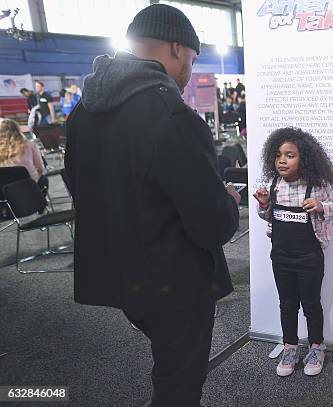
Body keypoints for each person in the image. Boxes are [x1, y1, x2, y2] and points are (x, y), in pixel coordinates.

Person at [64, 5, 241, 407]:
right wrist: (227, 202)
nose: (189, 72)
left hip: (119, 274)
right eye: (193, 61)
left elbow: (79, 186)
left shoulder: (82, 112)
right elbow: (211, 225)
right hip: (175, 282)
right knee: (179, 381)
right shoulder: (172, 115)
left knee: (168, 371)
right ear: (177, 48)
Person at [253, 127, 333, 377]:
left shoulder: (317, 185)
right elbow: (267, 216)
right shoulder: (274, 185)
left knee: (311, 304)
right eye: (279, 155)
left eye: (290, 155)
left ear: (305, 158)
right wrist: (263, 204)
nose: (282, 160)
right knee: (287, 304)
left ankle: (316, 347)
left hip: (309, 257)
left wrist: (321, 205)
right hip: (280, 256)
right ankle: (290, 346)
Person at [0, 119, 47, 190]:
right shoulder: (30, 145)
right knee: (44, 180)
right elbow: (40, 168)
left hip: (4, 189)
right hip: (30, 185)